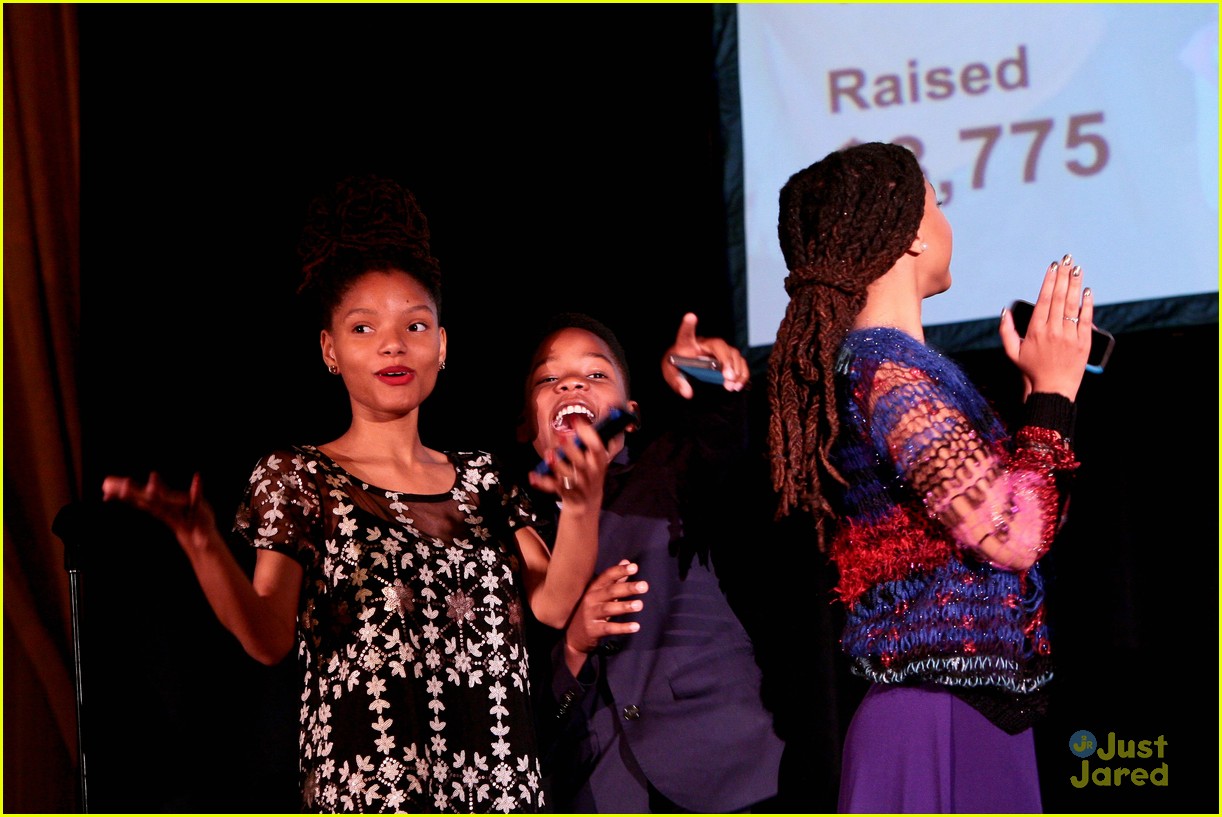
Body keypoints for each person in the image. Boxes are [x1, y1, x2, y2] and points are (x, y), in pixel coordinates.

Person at [100, 175, 608, 813]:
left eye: (415, 326)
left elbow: (554, 605)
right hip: (371, 792)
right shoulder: (300, 477)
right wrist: (201, 544)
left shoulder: (484, 477)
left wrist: (583, 506)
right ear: (329, 350)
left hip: (499, 788)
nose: (394, 344)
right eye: (363, 328)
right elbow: (267, 636)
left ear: (443, 346)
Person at [765, 141, 1093, 812]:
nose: (946, 220)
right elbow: (1013, 533)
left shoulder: (898, 373)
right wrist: (1052, 398)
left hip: (964, 705)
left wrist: (1039, 393)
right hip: (936, 714)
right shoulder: (889, 378)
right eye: (938, 203)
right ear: (913, 234)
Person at [516, 310, 786, 813]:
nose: (571, 382)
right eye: (549, 378)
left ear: (630, 414)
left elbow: (720, 433)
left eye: (596, 374)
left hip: (725, 768)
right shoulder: (514, 536)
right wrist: (573, 644)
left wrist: (700, 375)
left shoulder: (666, 476)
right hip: (602, 789)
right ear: (526, 426)